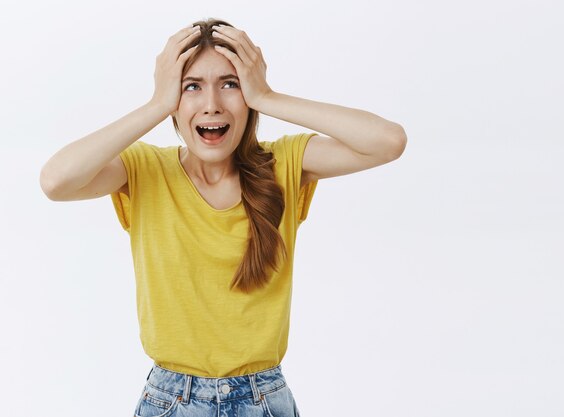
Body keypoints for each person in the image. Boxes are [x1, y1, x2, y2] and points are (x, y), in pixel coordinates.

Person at [39, 17, 407, 417]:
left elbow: (388, 142)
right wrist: (156, 105)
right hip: (171, 400)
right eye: (191, 86)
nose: (212, 103)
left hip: (265, 398)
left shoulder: (281, 163)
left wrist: (267, 96)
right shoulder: (145, 169)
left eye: (230, 84)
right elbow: (56, 181)